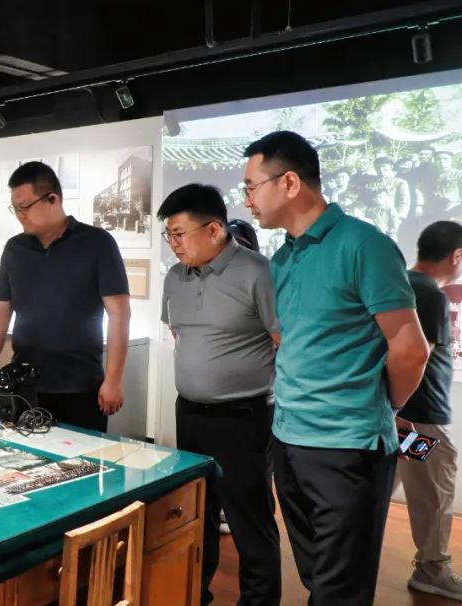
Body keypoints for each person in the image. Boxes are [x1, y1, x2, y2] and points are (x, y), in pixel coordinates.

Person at [242, 130, 429, 605]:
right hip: (288, 440)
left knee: (339, 589)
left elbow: (410, 349)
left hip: (347, 446)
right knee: (316, 575)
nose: (246, 200)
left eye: (251, 187)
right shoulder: (282, 258)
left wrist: (381, 406)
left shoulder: (364, 245)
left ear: (289, 183)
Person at [159, 184, 281, 606]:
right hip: (190, 414)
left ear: (213, 230)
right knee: (197, 512)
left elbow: (283, 341)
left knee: (249, 517)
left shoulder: (257, 272)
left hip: (243, 418)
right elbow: (179, 334)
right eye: (168, 235)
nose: (173, 244)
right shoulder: (174, 277)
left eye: (179, 234)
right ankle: (196, 595)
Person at [0, 161, 130, 431]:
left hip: (80, 386)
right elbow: (1, 310)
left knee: (81, 455)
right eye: (15, 209)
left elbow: (119, 314)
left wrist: (113, 379)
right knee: (23, 455)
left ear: (53, 199)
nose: (20, 215)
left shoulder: (97, 243)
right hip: (24, 386)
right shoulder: (15, 249)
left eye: (24, 207)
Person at [396, 221, 462, 601]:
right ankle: (432, 570)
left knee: (392, 484)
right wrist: (400, 413)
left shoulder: (405, 284)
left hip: (406, 418)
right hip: (421, 420)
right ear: (456, 255)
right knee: (434, 492)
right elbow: (414, 358)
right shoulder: (429, 295)